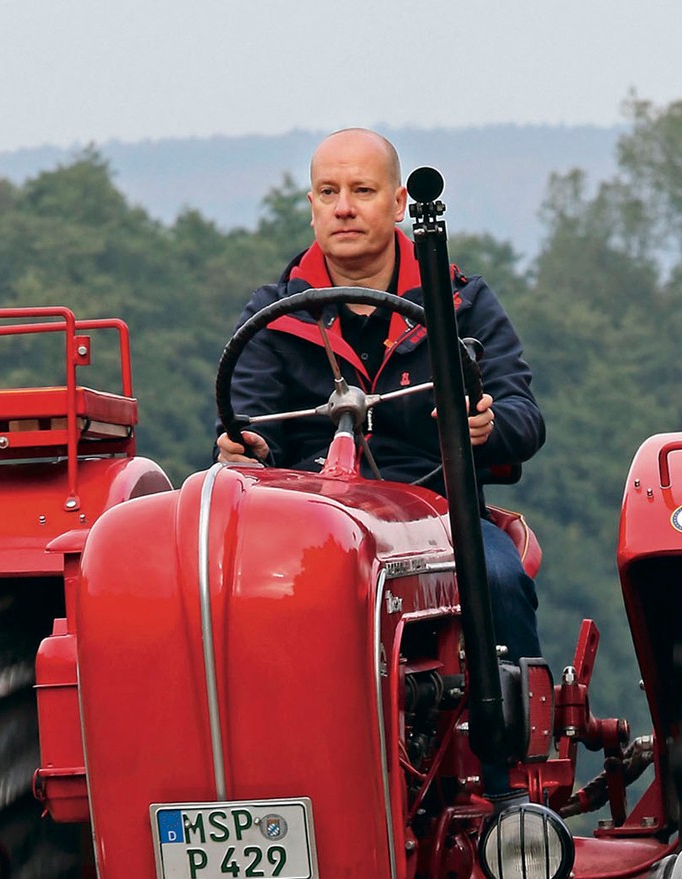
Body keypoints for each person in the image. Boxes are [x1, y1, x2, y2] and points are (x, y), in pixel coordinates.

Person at [216, 128, 547, 790]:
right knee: (227, 598)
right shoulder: (274, 313)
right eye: (330, 193)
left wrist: (486, 425)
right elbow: (251, 427)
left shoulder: (460, 302)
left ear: (397, 203)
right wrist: (246, 447)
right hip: (311, 533)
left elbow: (522, 415)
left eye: (362, 192)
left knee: (502, 580)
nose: (345, 208)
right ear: (311, 204)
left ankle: (510, 776)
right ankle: (258, 771)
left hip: (438, 519)